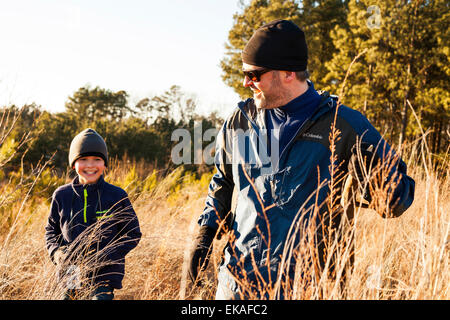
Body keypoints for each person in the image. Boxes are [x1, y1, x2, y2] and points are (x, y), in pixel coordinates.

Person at [187, 19, 415, 299]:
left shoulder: (344, 125)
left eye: (255, 74)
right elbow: (223, 180)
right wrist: (205, 233)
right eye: (245, 73)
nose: (246, 82)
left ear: (288, 73)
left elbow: (397, 202)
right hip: (238, 286)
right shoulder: (242, 121)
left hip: (310, 288)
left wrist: (376, 182)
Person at [45, 128, 142, 300]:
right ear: (73, 164)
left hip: (104, 274)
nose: (90, 165)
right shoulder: (61, 195)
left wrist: (105, 256)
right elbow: (51, 231)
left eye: (97, 159)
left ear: (104, 164)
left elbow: (133, 233)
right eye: (83, 159)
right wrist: (57, 253)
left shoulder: (116, 195)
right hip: (70, 272)